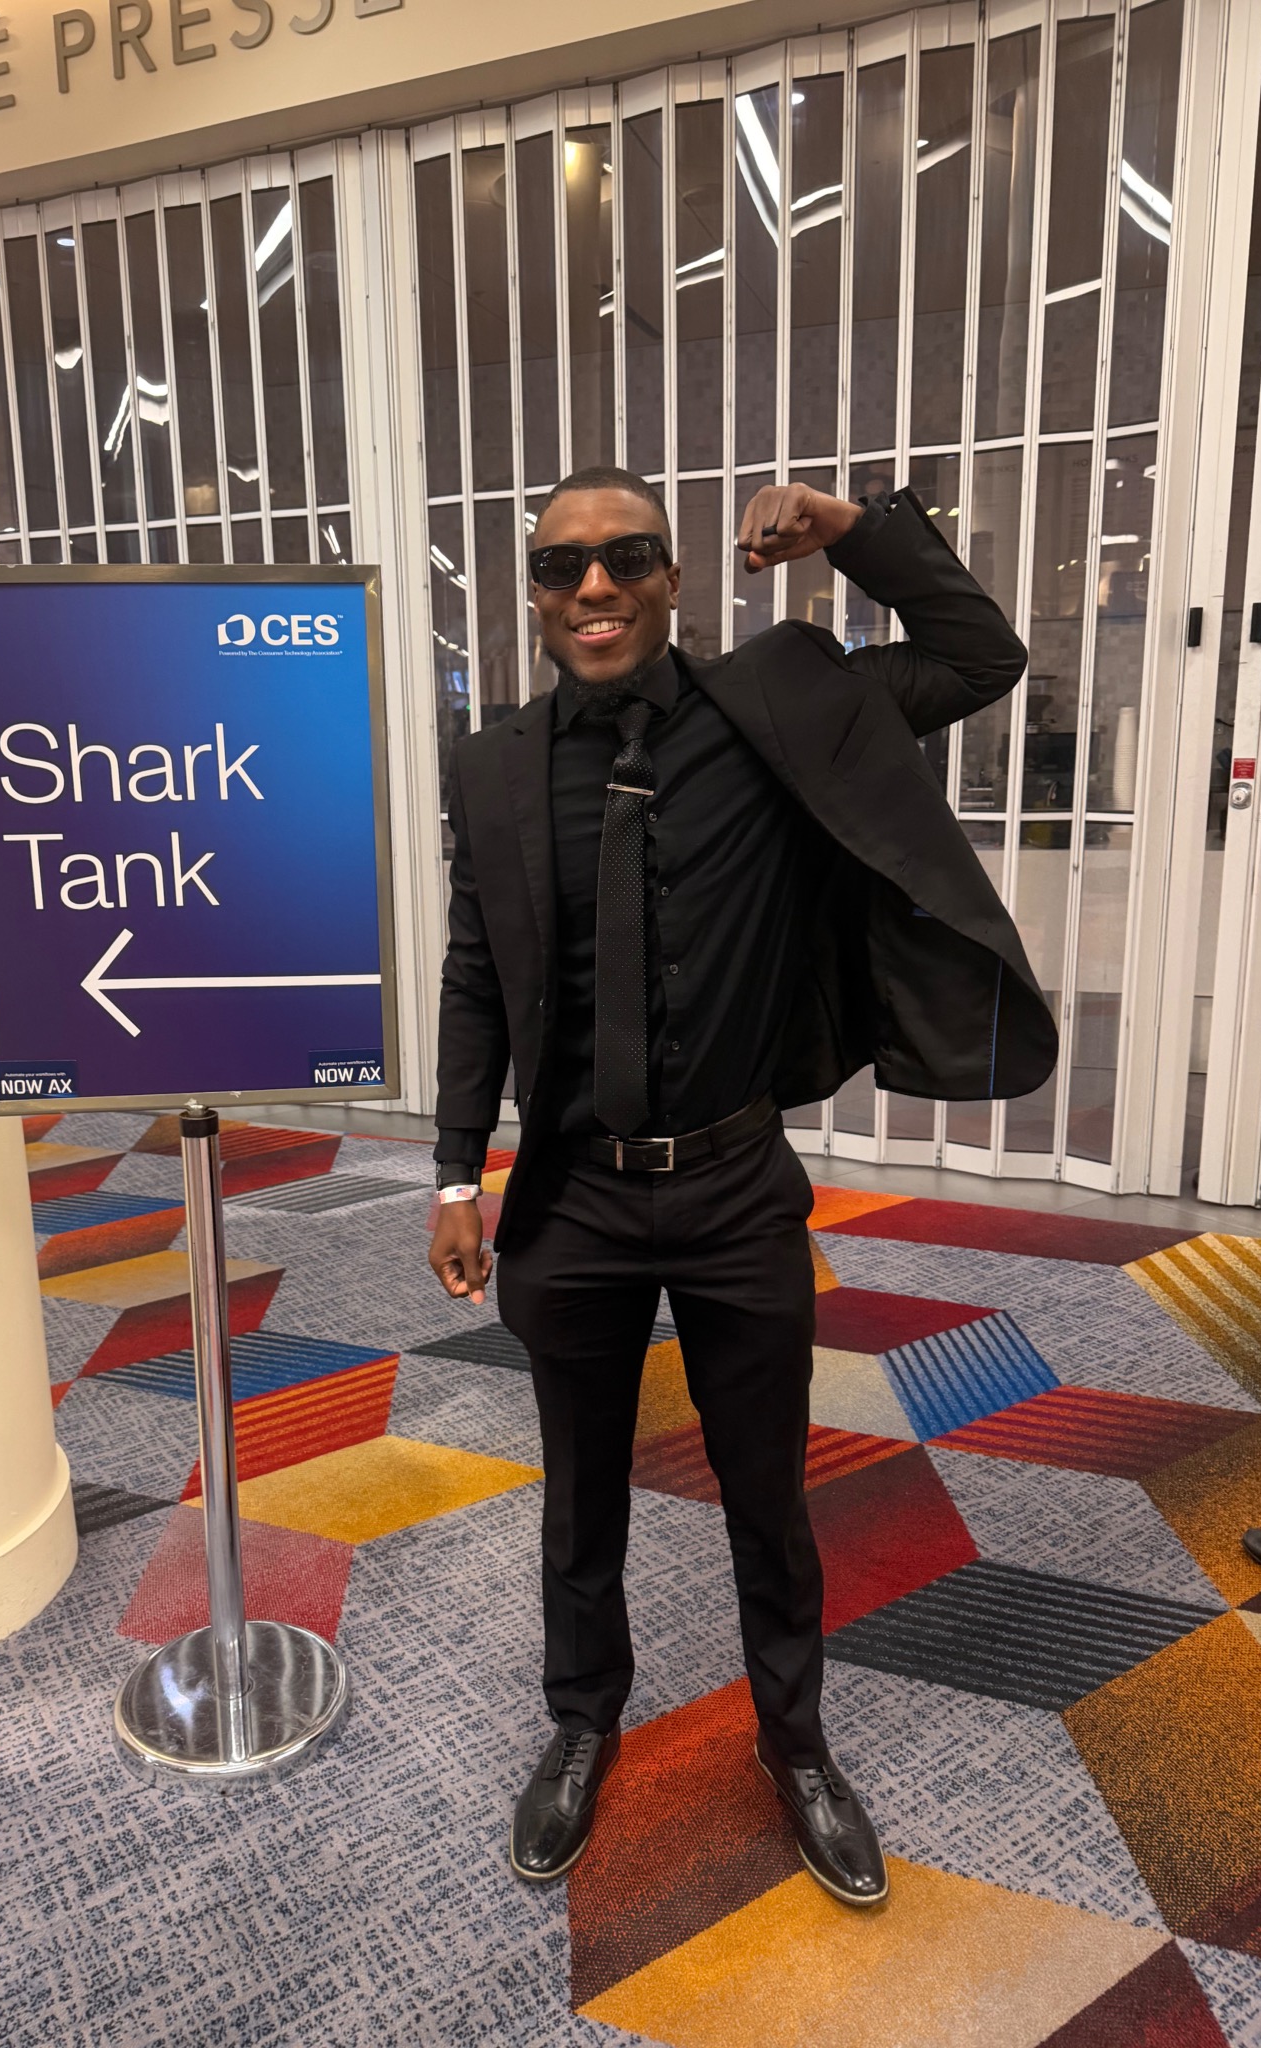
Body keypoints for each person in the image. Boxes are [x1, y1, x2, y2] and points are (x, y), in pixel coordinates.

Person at [426, 466, 1057, 1901]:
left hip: (733, 1187)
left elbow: (981, 659)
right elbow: (476, 974)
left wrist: (853, 531)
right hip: (572, 1195)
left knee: (767, 1488)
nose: (594, 587)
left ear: (672, 577)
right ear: (533, 594)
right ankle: (583, 1723)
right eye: (562, 566)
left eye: (627, 557)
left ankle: (796, 1742)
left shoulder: (783, 708)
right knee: (580, 1488)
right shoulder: (494, 765)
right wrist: (456, 1171)